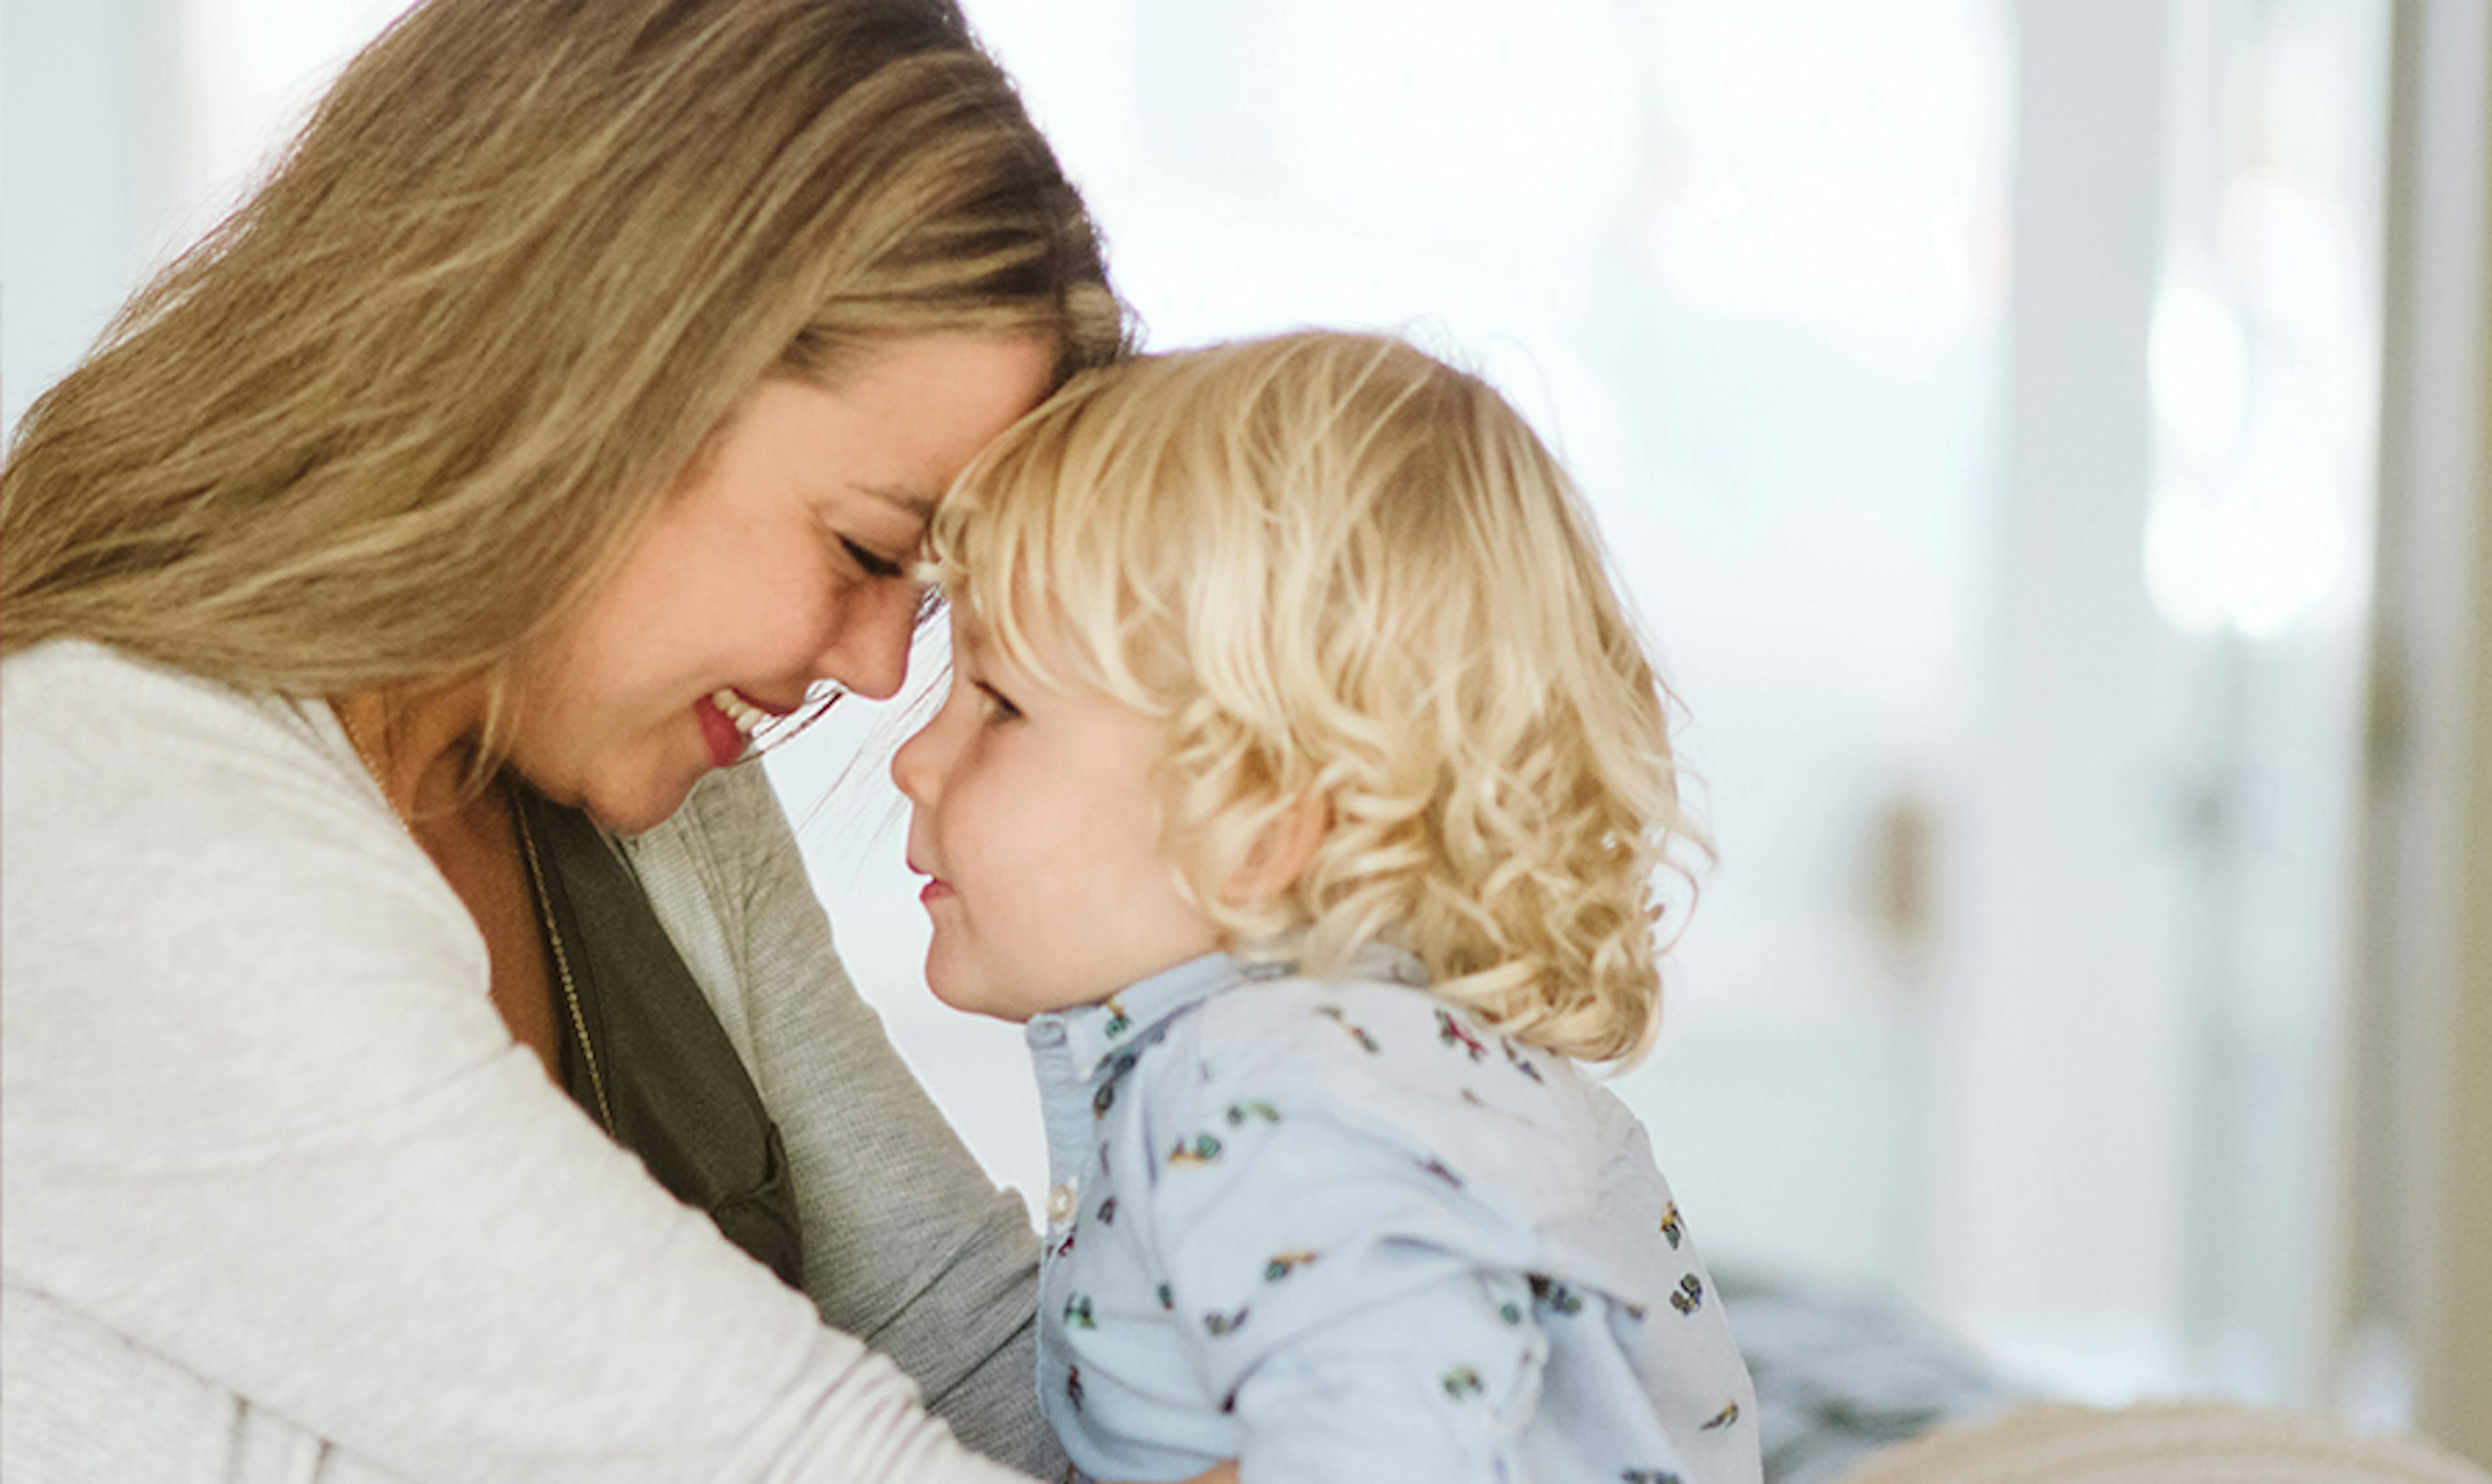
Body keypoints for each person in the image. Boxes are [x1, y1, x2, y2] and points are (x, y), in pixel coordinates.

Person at [0, 3, 1240, 1481]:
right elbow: (797, 1457)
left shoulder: (651, 795)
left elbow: (962, 1345)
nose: (872, 664)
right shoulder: (115, 826)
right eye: (863, 547)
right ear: (588, 375)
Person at [889, 330, 1764, 1483]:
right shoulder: (1359, 1061)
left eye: (996, 702)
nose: (913, 758)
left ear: (1256, 818)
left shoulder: (1278, 1081)